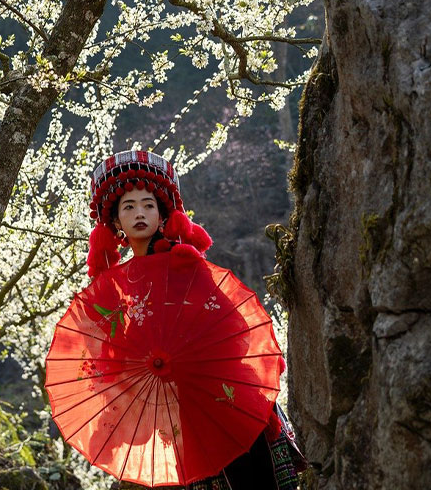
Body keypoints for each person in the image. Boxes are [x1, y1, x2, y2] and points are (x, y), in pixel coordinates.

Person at [84, 150, 307, 490]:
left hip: (222, 390)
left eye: (148, 205)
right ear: (115, 223)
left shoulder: (184, 262)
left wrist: (189, 348)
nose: (139, 213)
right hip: (177, 404)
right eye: (128, 207)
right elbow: (118, 351)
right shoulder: (117, 288)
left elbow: (232, 324)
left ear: (162, 215)